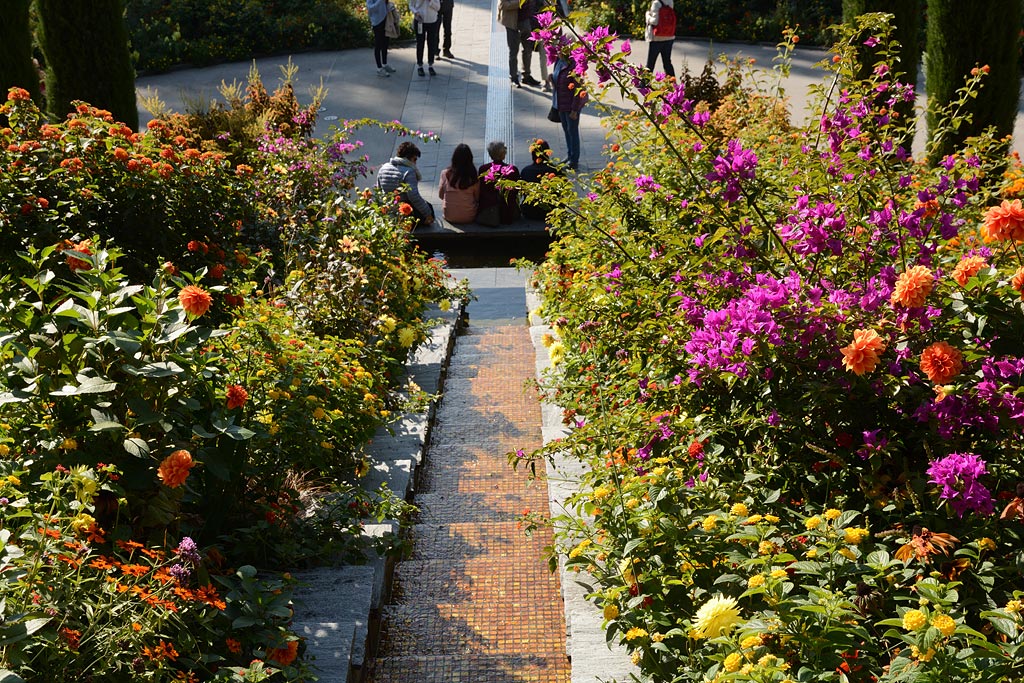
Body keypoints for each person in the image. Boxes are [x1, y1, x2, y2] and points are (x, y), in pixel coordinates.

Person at [377, 141, 435, 227]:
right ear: (409, 158)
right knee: (429, 208)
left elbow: (378, 189)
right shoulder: (409, 172)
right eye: (414, 159)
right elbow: (413, 196)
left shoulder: (383, 168)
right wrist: (427, 213)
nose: (415, 163)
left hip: (388, 209)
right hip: (403, 210)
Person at [552, 56, 586, 170]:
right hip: (561, 103)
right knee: (566, 130)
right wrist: (551, 79)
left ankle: (574, 160)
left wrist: (575, 110)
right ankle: (569, 154)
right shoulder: (559, 60)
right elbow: (558, 79)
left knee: (572, 132)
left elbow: (578, 89)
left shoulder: (575, 64)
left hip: (571, 105)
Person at [477, 140, 520, 226]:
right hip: (508, 213)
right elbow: (516, 191)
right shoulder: (513, 170)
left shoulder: (483, 169)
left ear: (490, 154)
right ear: (504, 154)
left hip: (488, 212)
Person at [498, 0, 539, 87]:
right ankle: (513, 77)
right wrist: (520, 2)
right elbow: (503, 5)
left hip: (525, 21)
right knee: (513, 51)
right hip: (511, 23)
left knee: (528, 49)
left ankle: (526, 75)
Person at [438, 144, 481, 224]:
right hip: (469, 216)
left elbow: (440, 195)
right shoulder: (474, 176)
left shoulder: (445, 174)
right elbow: (477, 198)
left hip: (449, 216)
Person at [520, 138, 560, 221]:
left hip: (530, 212)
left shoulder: (526, 171)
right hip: (552, 211)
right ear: (547, 153)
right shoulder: (555, 170)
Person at [409, 0, 441, 76]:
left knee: (431, 43)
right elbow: (411, 5)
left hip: (432, 21)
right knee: (420, 43)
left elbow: (438, 7)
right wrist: (416, 12)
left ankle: (431, 65)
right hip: (420, 20)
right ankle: (420, 66)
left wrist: (431, 2)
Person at [644, 0, 676, 78]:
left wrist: (647, 16)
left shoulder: (656, 3)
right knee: (667, 63)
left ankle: (644, 84)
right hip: (669, 36)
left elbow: (654, 22)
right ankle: (673, 84)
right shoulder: (670, 1)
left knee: (650, 63)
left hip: (657, 38)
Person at [366, 0, 397, 77]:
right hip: (377, 22)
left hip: (385, 20)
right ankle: (379, 68)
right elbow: (370, 8)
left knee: (385, 43)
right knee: (378, 45)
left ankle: (385, 64)